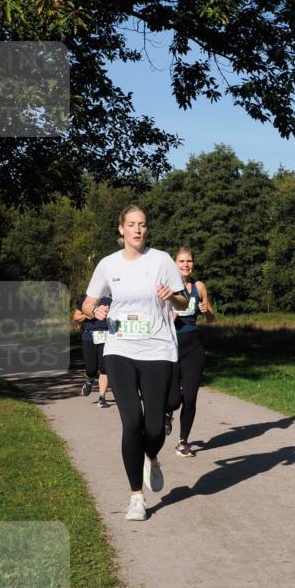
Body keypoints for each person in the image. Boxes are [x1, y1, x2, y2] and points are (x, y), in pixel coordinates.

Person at [81, 205, 188, 521]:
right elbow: (88, 301)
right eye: (131, 225)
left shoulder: (162, 260)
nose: (137, 230)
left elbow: (183, 300)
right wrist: (94, 311)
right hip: (120, 349)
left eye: (142, 225)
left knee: (154, 427)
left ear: (146, 229)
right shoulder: (107, 264)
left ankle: (152, 456)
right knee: (132, 423)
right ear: (121, 230)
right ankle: (136, 498)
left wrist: (172, 296)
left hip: (157, 349)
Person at [170, 246, 215, 457]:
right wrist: (169, 318)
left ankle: (183, 441)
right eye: (181, 261)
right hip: (170, 345)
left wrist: (206, 312)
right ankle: (167, 413)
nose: (185, 265)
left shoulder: (199, 286)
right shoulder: (167, 288)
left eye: (189, 261)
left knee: (190, 396)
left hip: (193, 346)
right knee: (173, 398)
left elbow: (211, 317)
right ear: (175, 264)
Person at [73, 293, 112, 408]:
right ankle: (89, 382)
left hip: (107, 336)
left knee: (105, 368)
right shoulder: (88, 299)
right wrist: (89, 315)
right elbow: (76, 317)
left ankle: (102, 397)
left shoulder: (114, 298)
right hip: (90, 336)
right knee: (91, 370)